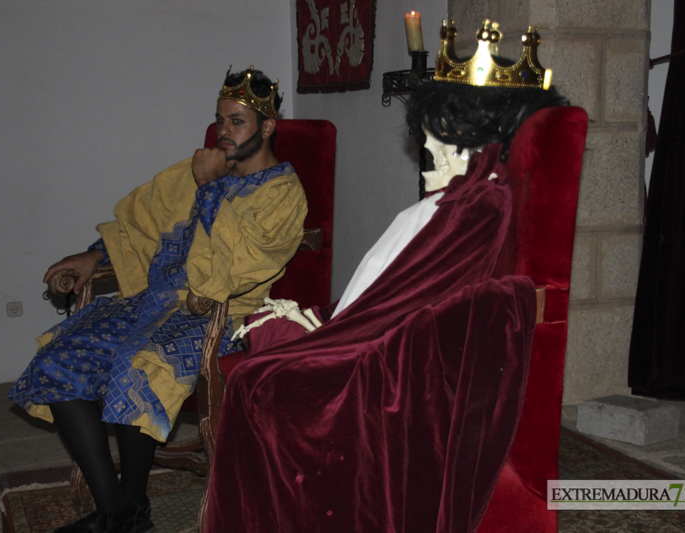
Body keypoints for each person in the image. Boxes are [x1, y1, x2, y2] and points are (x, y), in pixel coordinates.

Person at [202, 24, 567, 532]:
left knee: (258, 385)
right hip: (362, 334)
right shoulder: (466, 200)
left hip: (377, 361)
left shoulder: (471, 206)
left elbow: (408, 309)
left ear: (473, 137)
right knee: (260, 351)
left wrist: (323, 336)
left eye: (442, 139)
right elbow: (394, 294)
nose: (430, 150)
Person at [8, 66, 307, 533]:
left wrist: (210, 188)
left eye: (237, 123)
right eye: (220, 120)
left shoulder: (284, 196)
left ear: (267, 127)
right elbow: (142, 225)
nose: (223, 133)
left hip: (218, 315)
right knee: (58, 360)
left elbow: (230, 272)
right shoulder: (196, 173)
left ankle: (123, 509)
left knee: (139, 365)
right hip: (153, 302)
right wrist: (92, 257)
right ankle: (119, 512)